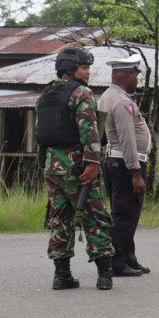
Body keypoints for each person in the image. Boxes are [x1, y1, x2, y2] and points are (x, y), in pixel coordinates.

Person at [36, 47, 114, 291]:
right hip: (78, 167)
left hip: (52, 167)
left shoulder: (46, 94)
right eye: (84, 68)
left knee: (60, 219)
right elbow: (89, 131)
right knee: (95, 218)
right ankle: (105, 276)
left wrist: (45, 164)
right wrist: (93, 163)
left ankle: (62, 277)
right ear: (70, 69)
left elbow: (40, 134)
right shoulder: (82, 93)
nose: (88, 72)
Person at [98, 54, 151, 277]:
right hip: (126, 164)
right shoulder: (121, 102)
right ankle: (117, 262)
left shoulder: (106, 96)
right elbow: (127, 139)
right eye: (136, 75)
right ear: (128, 74)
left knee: (127, 213)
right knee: (124, 215)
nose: (137, 79)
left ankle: (129, 258)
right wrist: (135, 173)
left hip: (116, 162)